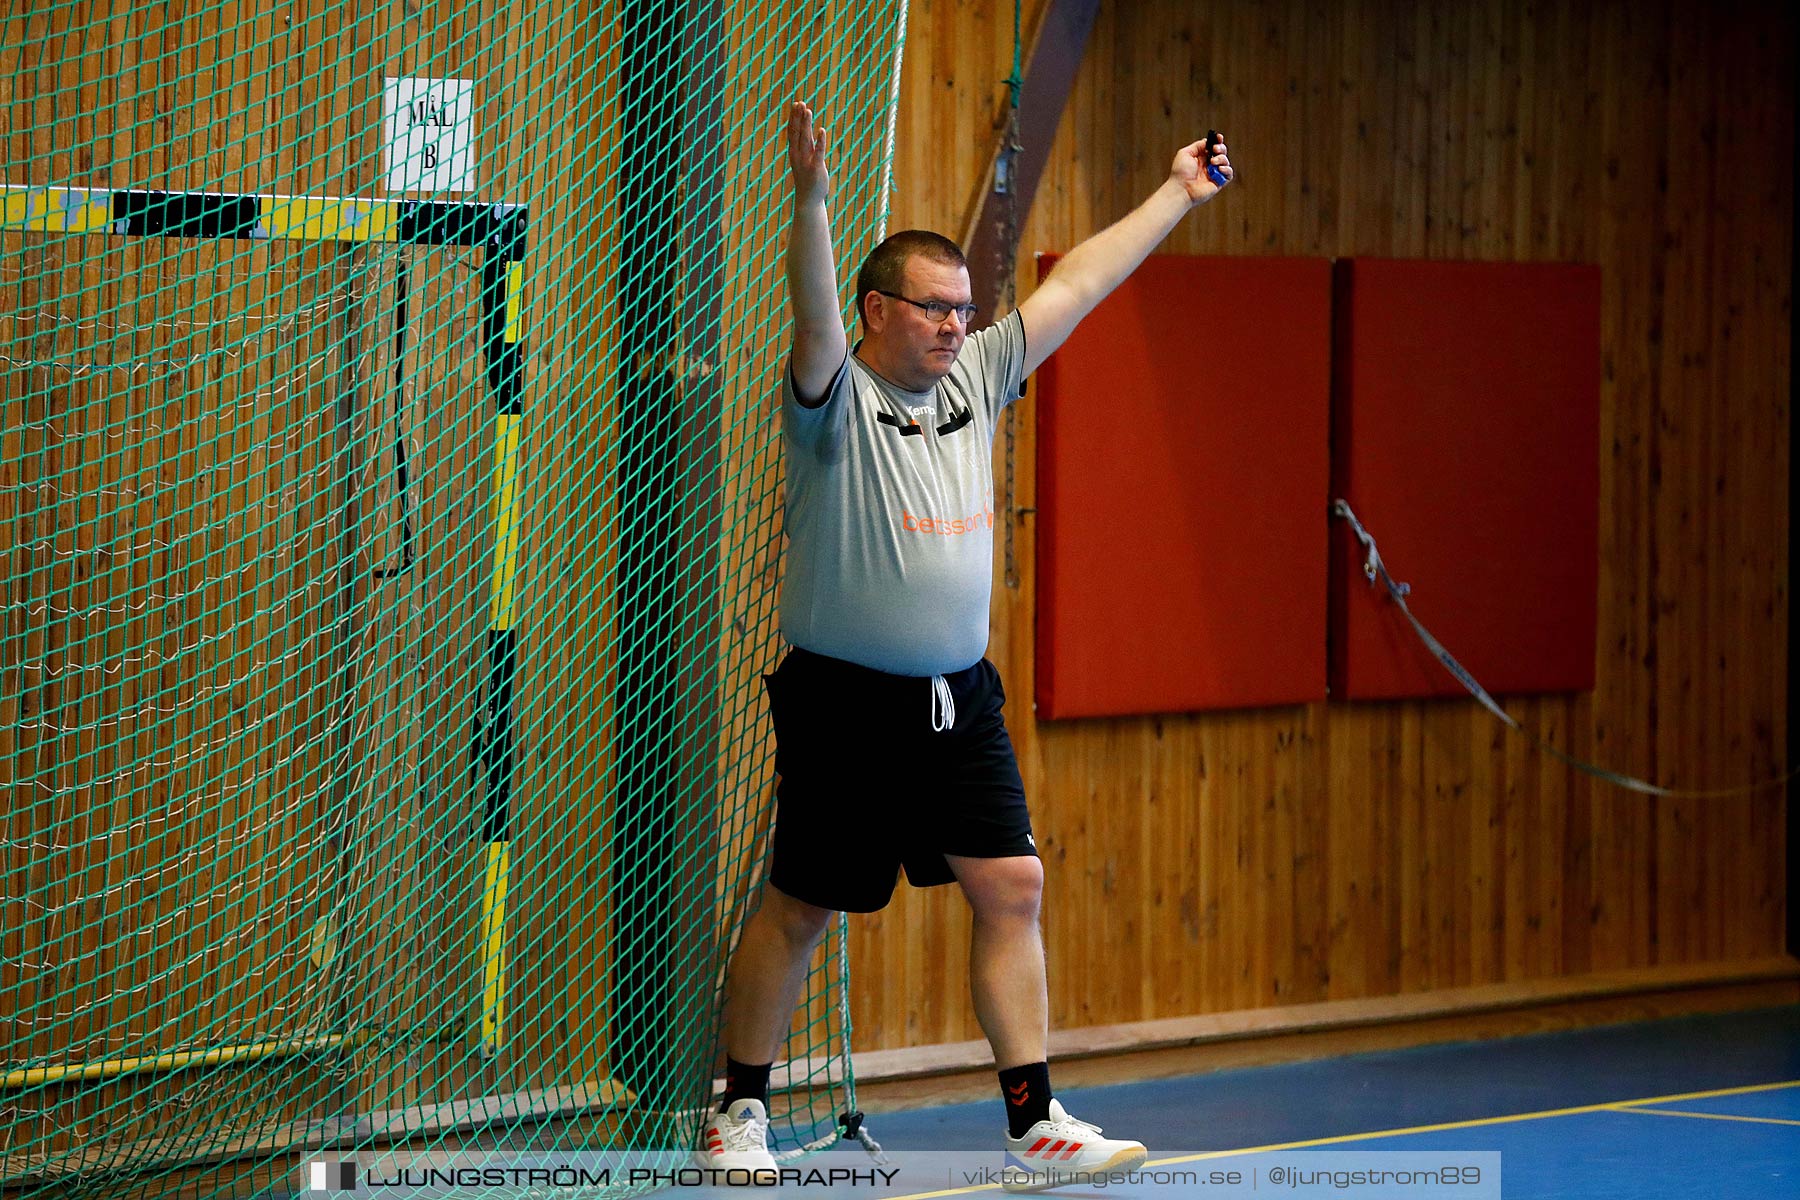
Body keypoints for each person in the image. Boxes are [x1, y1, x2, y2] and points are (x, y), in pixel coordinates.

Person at [696, 99, 1234, 1189]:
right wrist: (809, 202)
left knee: (1014, 886)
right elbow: (808, 321)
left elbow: (1078, 282)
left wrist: (1178, 192)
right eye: (934, 311)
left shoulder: (980, 380)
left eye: (964, 310)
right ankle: (736, 1111)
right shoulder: (832, 395)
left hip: (957, 701)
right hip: (844, 699)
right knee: (800, 906)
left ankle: (1035, 1122)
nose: (955, 327)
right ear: (877, 311)